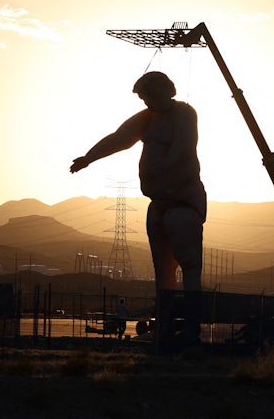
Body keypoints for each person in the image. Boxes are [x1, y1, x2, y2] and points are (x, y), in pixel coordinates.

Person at [70, 71, 206, 346]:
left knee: (189, 266)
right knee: (163, 271)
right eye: (143, 99)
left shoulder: (184, 113)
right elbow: (119, 138)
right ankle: (165, 327)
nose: (146, 102)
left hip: (183, 203)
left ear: (164, 91)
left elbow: (183, 148)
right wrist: (89, 158)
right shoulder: (148, 117)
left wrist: (163, 167)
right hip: (158, 204)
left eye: (148, 97)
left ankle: (191, 327)